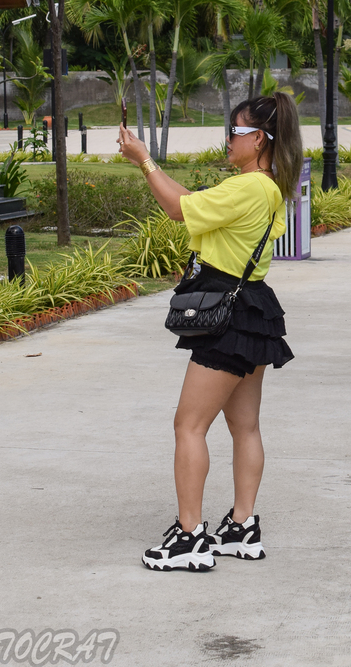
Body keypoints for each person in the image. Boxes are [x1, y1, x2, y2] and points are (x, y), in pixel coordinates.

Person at [117, 92, 303, 572]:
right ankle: (242, 527)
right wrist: (150, 165)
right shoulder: (265, 186)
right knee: (245, 427)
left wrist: (144, 161)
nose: (228, 139)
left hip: (228, 314)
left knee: (189, 425)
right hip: (253, 309)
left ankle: (190, 536)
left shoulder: (248, 188)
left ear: (258, 139)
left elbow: (176, 210)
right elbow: (191, 204)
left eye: (235, 131)